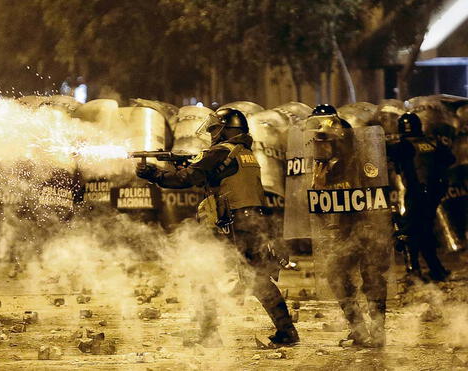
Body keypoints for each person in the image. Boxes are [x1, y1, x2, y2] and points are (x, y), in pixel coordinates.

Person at [135, 107, 299, 345]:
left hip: (233, 222)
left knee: (204, 271)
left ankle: (208, 334)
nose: (212, 133)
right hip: (252, 221)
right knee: (258, 279)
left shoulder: (220, 152)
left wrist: (154, 174)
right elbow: (216, 178)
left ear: (225, 131)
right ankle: (287, 331)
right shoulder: (245, 153)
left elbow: (185, 179)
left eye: (215, 129)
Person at [309, 104, 391, 347]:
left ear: (341, 141)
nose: (323, 147)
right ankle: (359, 329)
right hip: (346, 232)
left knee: (373, 278)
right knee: (336, 273)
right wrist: (318, 187)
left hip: (370, 229)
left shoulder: (363, 162)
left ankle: (377, 332)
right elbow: (323, 210)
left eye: (328, 142)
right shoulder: (329, 167)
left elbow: (375, 198)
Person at [388, 112, 455, 281]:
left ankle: (413, 269)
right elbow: (449, 159)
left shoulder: (404, 145)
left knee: (409, 229)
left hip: (416, 192)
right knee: (424, 230)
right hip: (433, 193)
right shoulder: (432, 142)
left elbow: (385, 153)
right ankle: (435, 269)